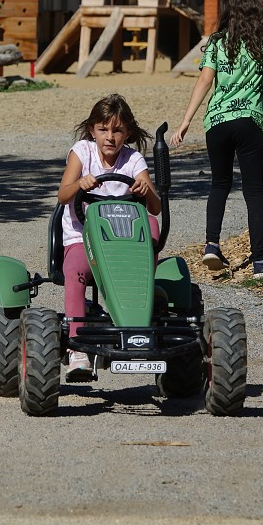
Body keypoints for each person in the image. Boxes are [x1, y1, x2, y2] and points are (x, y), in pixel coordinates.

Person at [169, 0, 263, 278]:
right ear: (255, 7)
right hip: (250, 121)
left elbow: (203, 82)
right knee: (253, 189)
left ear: (225, 10)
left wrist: (185, 122)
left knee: (219, 184)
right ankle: (260, 260)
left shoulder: (216, 42)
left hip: (217, 122)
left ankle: (211, 245)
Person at [57, 94, 162, 382]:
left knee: (151, 224)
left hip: (126, 244)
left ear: (127, 132)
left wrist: (145, 189)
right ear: (92, 130)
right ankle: (77, 349)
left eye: (117, 130)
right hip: (83, 237)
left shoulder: (133, 160)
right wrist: (79, 183)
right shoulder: (82, 152)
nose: (110, 137)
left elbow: (155, 207)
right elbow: (63, 194)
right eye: (103, 130)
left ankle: (143, 317)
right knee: (76, 270)